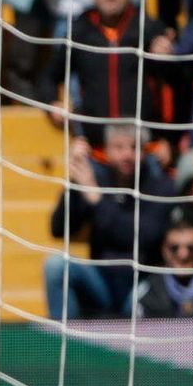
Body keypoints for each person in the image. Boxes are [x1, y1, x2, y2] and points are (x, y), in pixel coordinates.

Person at [45, 128, 174, 320]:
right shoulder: (98, 179)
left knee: (145, 297)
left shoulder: (160, 186)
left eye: (134, 147)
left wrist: (96, 199)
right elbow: (58, 229)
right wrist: (75, 181)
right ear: (106, 151)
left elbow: (145, 236)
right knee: (56, 266)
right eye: (119, 147)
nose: (127, 154)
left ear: (145, 152)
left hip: (141, 283)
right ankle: (65, 343)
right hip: (101, 281)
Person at [47, 0, 179, 147]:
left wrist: (169, 140)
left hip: (146, 150)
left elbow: (178, 85)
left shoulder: (149, 28)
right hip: (96, 151)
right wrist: (53, 103)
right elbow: (49, 77)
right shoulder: (79, 31)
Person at [134, 208, 193, 318]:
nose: (183, 255)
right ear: (164, 251)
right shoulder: (147, 293)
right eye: (174, 248)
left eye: (191, 248)